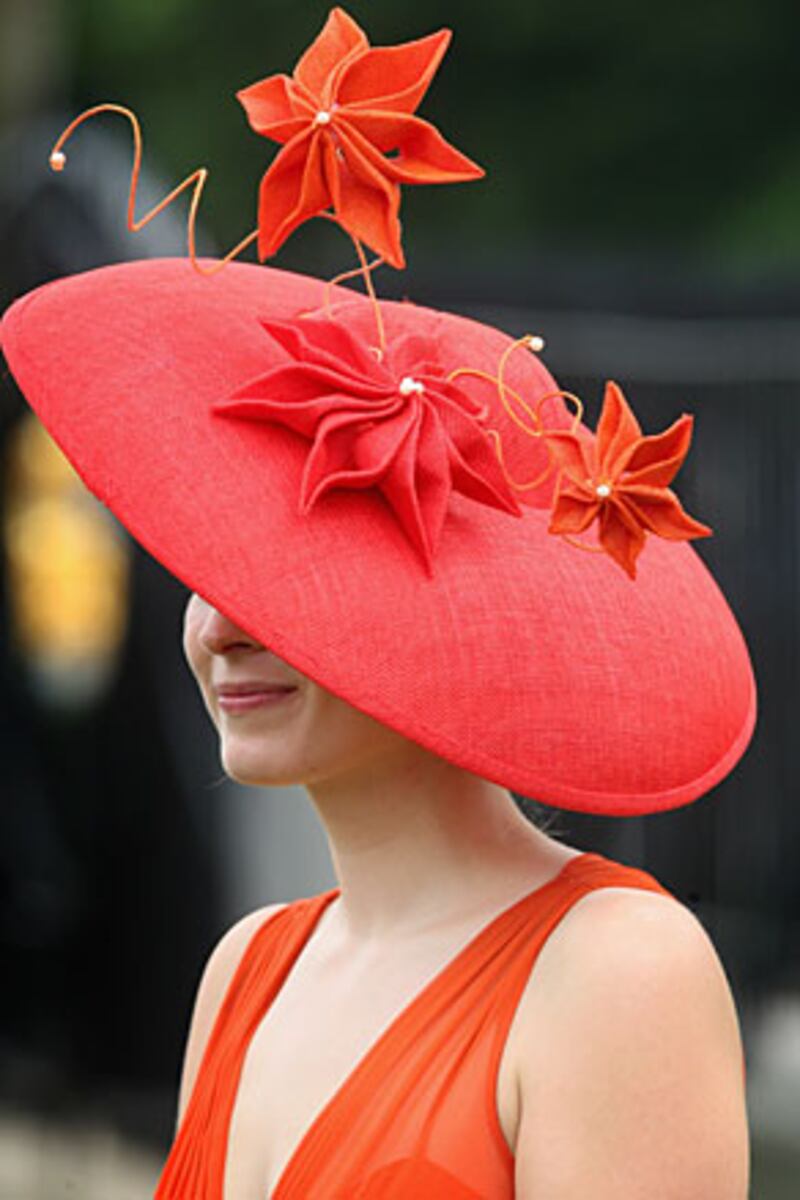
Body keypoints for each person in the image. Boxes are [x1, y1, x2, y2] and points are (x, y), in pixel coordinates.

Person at [1, 8, 755, 1197]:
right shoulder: (245, 970)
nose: (221, 626)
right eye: (215, 571)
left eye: (303, 582)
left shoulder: (613, 972)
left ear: (450, 614)